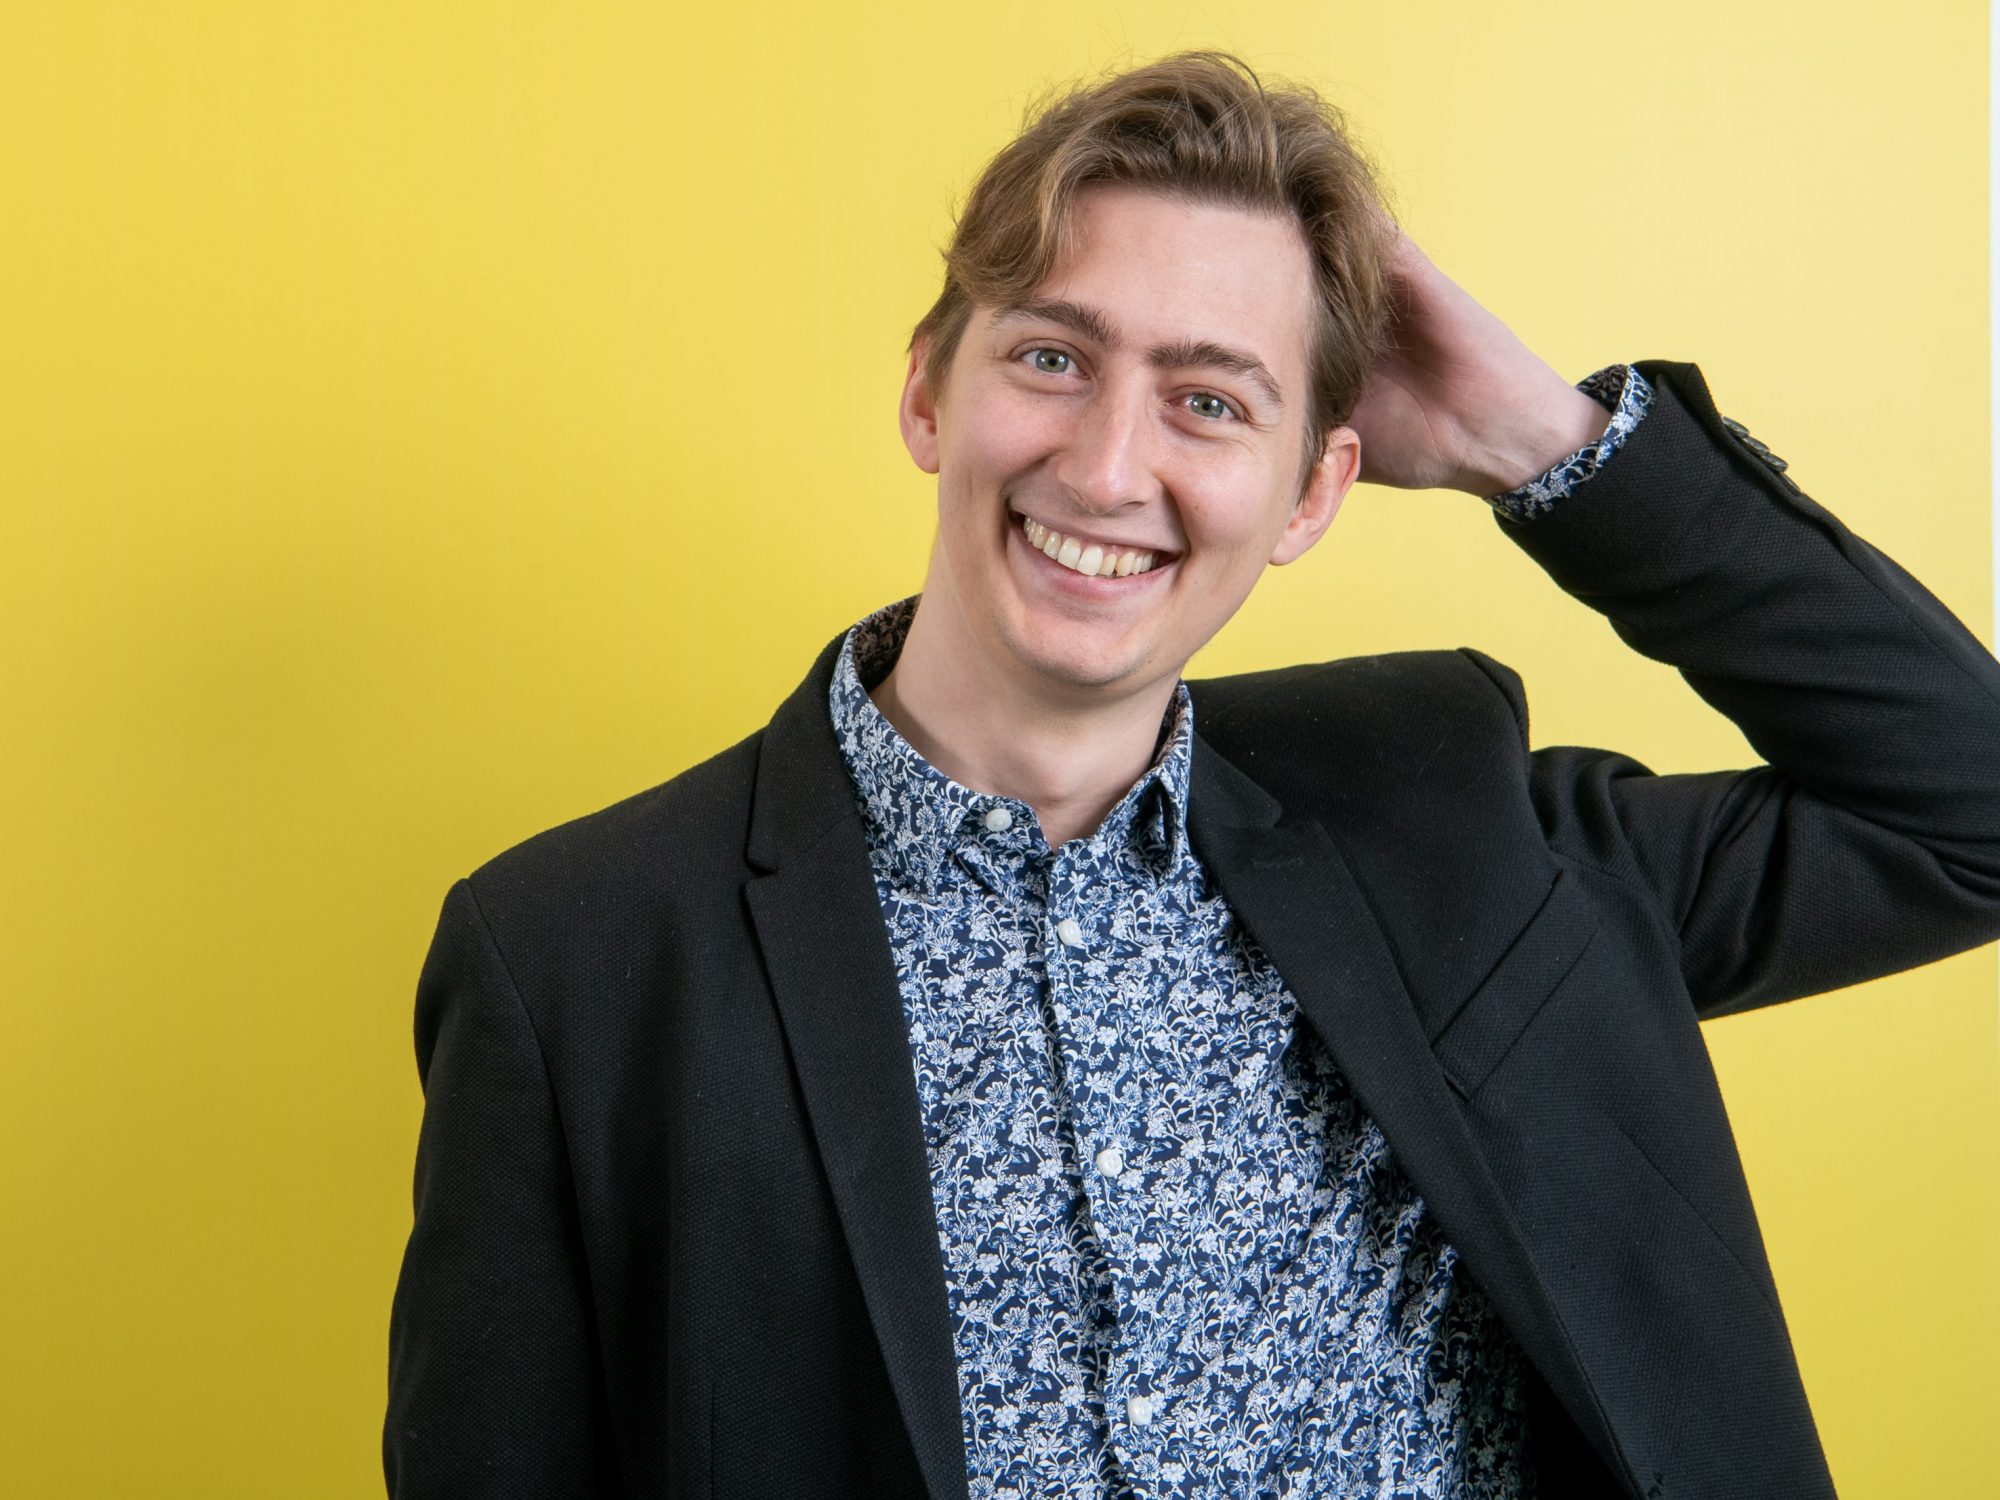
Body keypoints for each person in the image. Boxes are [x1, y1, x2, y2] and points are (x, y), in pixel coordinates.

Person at [383, 51, 2000, 1500]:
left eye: (1210, 402)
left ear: (1312, 496)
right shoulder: (571, 962)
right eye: (1051, 359)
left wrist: (1543, 443)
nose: (1107, 467)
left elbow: (1969, 812)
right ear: (929, 390)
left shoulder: (1462, 838)